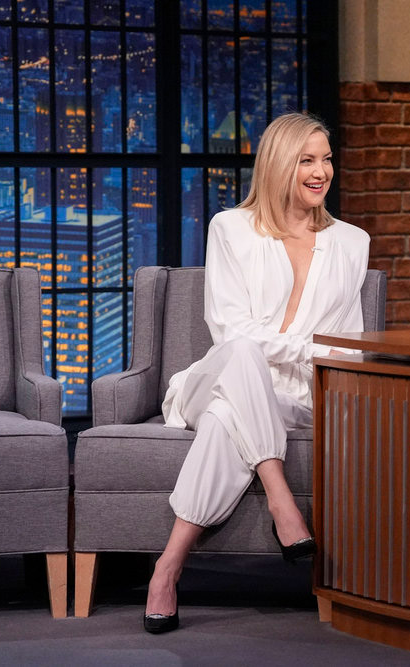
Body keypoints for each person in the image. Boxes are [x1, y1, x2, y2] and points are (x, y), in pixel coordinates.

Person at [143, 112, 370, 634]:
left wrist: (308, 355)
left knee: (228, 419)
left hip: (292, 397)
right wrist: (307, 348)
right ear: (277, 165)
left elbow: (348, 343)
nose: (321, 172)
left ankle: (167, 568)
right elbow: (229, 330)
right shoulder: (231, 228)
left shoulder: (352, 242)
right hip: (215, 379)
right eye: (306, 161)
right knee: (243, 351)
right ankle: (280, 499)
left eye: (326, 159)